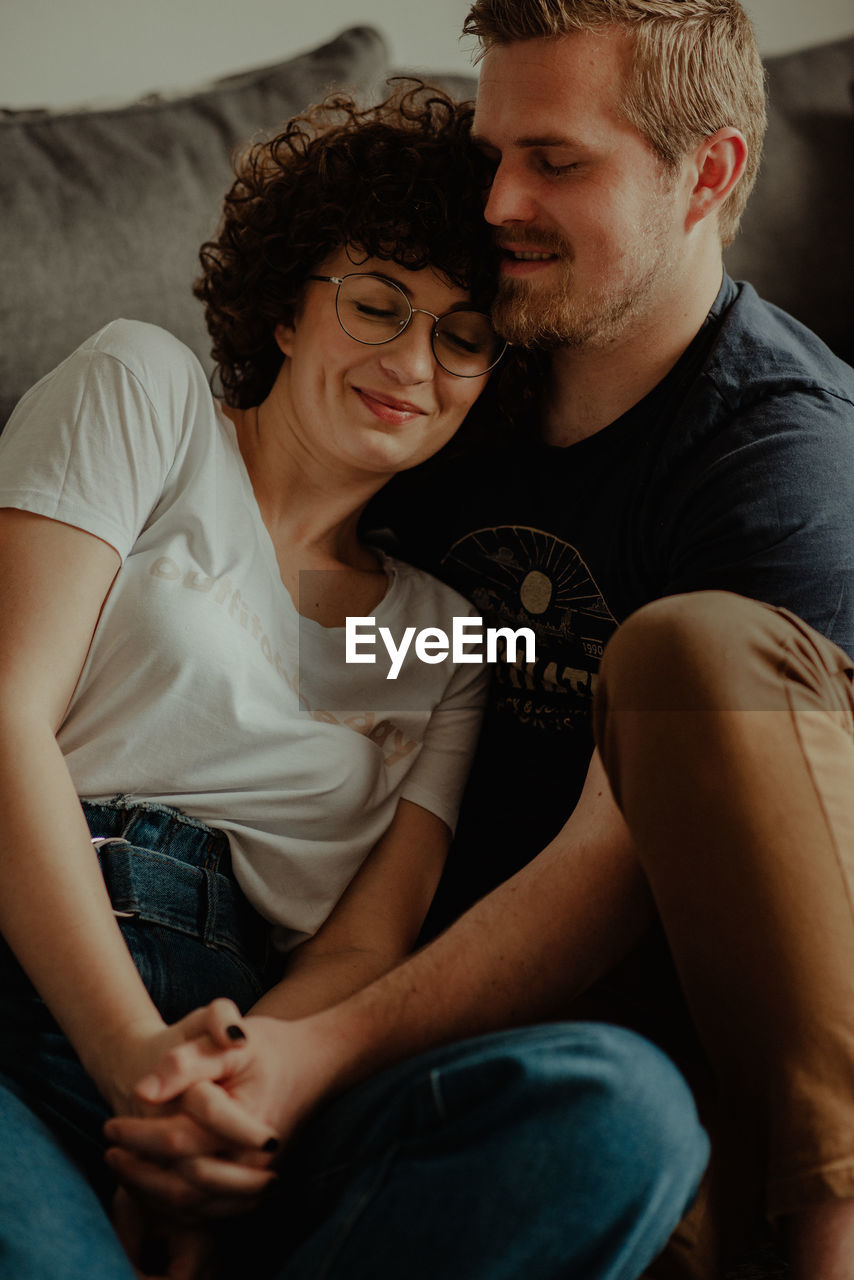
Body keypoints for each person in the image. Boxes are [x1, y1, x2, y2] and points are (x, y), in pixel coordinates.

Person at [124, 1, 854, 1269]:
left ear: (711, 173)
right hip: (356, 990)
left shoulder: (777, 455)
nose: (499, 198)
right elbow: (323, 632)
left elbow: (619, 849)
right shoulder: (449, 377)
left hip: (643, 1027)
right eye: (492, 151)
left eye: (556, 162)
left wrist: (307, 1053)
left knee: (621, 1114)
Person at [0, 81, 707, 1280]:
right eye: (377, 304)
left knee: (625, 1105)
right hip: (33, 986)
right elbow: (6, 712)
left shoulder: (438, 633)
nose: (410, 363)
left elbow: (364, 943)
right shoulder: (150, 401)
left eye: (461, 336)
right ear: (287, 309)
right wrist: (133, 1058)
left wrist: (221, 1101)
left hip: (253, 1066)